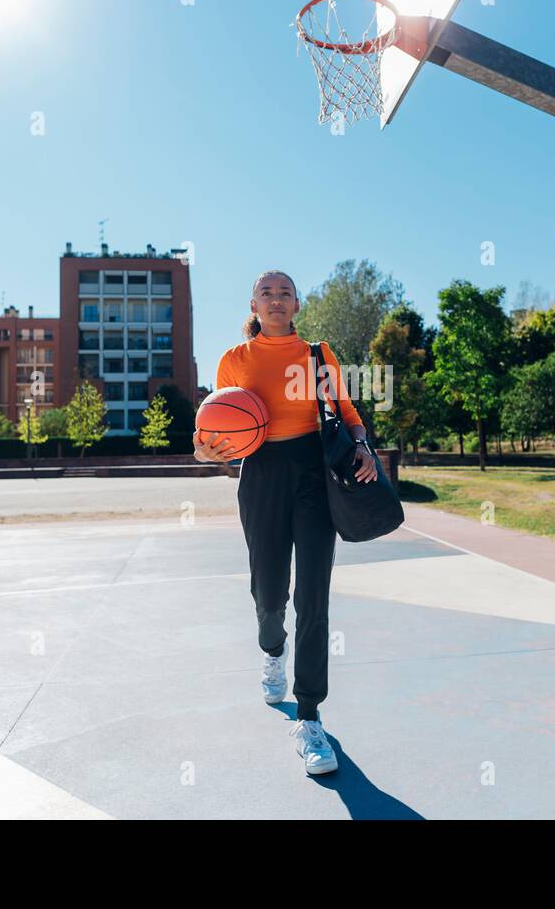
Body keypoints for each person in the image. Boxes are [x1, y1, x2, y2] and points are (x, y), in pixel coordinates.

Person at [194, 270, 377, 776]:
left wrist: (362, 444)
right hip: (261, 474)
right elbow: (212, 427)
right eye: (267, 293)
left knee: (313, 593)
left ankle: (310, 715)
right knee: (270, 591)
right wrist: (205, 451)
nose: (276, 300)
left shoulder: (318, 354)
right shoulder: (235, 360)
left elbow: (345, 409)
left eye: (285, 293)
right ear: (253, 304)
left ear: (297, 304)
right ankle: (271, 650)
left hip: (314, 473)